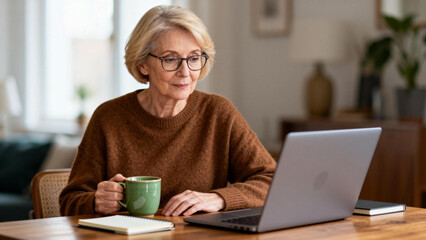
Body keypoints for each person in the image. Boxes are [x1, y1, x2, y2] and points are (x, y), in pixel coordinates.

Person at [59, 5, 276, 217]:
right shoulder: (108, 118)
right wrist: (96, 201)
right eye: (170, 59)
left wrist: (219, 198)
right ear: (143, 64)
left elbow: (271, 179)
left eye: (193, 58)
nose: (185, 72)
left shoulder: (218, 113)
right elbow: (70, 201)